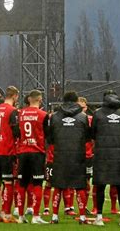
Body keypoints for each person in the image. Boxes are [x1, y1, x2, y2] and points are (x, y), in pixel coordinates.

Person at [47, 91, 90, 224]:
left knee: (58, 187)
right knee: (80, 187)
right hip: (78, 156)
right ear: (76, 101)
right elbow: (87, 137)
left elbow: (50, 138)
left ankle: (54, 216)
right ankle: (82, 217)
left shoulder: (54, 117)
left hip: (60, 155)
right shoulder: (83, 117)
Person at [91, 90, 120, 226]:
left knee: (101, 186)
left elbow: (93, 133)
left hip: (102, 154)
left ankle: (99, 217)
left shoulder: (98, 113)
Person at [15, 90, 49, 224]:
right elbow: (48, 135)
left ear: (29, 99)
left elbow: (17, 132)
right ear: (40, 100)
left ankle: (21, 216)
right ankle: (35, 216)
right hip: (37, 152)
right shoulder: (43, 115)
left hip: (23, 152)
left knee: (21, 184)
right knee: (37, 184)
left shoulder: (21, 113)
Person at [0, 86, 20, 223]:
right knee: (8, 182)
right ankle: (6, 214)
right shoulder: (12, 111)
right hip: (6, 150)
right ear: (15, 96)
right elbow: (16, 132)